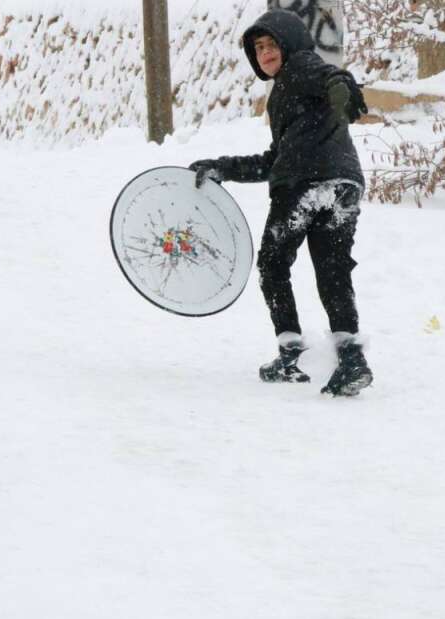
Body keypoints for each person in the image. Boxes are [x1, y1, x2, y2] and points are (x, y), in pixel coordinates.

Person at [187, 9, 372, 397]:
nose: (266, 53)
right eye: (259, 48)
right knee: (333, 271)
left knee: (273, 264)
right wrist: (223, 168)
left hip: (304, 184)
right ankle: (351, 359)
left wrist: (343, 87)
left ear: (291, 44)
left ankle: (290, 354)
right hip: (342, 184)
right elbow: (275, 160)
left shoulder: (299, 68)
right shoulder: (286, 94)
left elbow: (330, 76)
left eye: (272, 44)